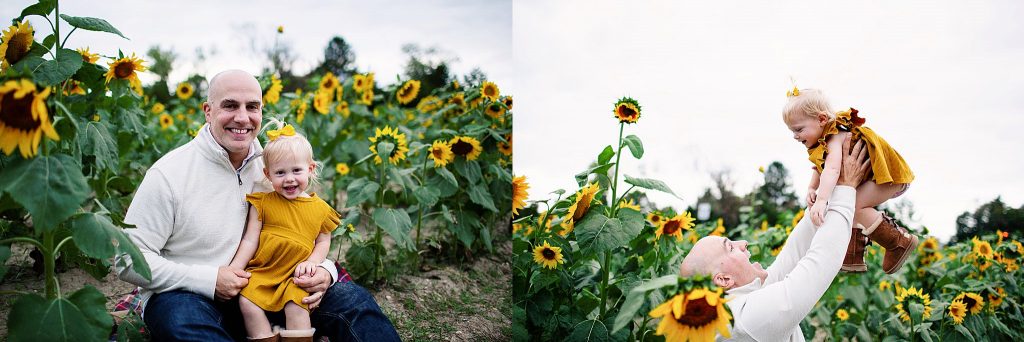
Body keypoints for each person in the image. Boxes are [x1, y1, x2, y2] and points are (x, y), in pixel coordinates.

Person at [116, 70, 400, 341]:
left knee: (353, 301)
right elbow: (128, 260)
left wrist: (325, 270)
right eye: (230, 105)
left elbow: (308, 228)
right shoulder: (170, 174)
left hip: (272, 283)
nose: (243, 117)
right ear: (208, 111)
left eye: (252, 106)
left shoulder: (277, 168)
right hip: (190, 295)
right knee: (180, 320)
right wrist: (209, 280)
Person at [679, 134, 870, 341]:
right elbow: (821, 264)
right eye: (730, 247)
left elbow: (794, 255)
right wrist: (846, 188)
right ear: (724, 279)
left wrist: (823, 194)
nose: (742, 243)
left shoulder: (742, 303)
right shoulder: (744, 320)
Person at [781, 87, 917, 274]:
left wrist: (821, 200)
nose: (795, 136)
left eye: (798, 129)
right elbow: (821, 166)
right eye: (792, 131)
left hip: (888, 176)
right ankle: (853, 255)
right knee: (847, 202)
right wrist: (812, 187)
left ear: (821, 119)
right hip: (873, 178)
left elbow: (833, 169)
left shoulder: (836, 135)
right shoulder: (824, 139)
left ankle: (898, 242)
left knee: (852, 204)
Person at [226, 120, 337, 341]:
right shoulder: (263, 203)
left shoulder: (321, 209)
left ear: (310, 169)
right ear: (268, 174)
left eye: (296, 170)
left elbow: (323, 242)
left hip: (296, 274)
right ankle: (264, 337)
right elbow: (250, 240)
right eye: (280, 173)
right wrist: (235, 269)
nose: (289, 179)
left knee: (297, 305)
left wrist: (313, 263)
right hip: (265, 270)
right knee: (247, 302)